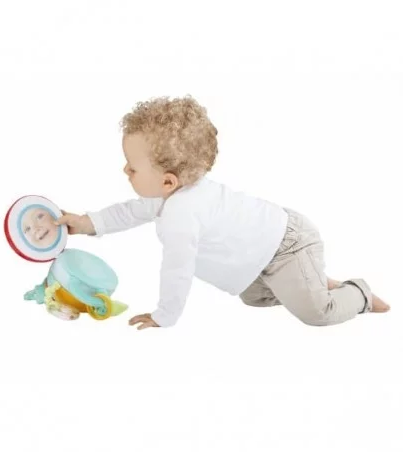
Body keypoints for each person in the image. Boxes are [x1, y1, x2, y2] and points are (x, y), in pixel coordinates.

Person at [56, 95, 390, 330]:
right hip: (258, 262)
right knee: (253, 298)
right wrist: (86, 223)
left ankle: (358, 294)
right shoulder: (171, 194)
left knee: (317, 314)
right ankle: (311, 280)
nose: (125, 171)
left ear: (168, 180)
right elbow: (129, 212)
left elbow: (177, 270)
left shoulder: (181, 216)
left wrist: (164, 315)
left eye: (132, 168)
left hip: (287, 245)